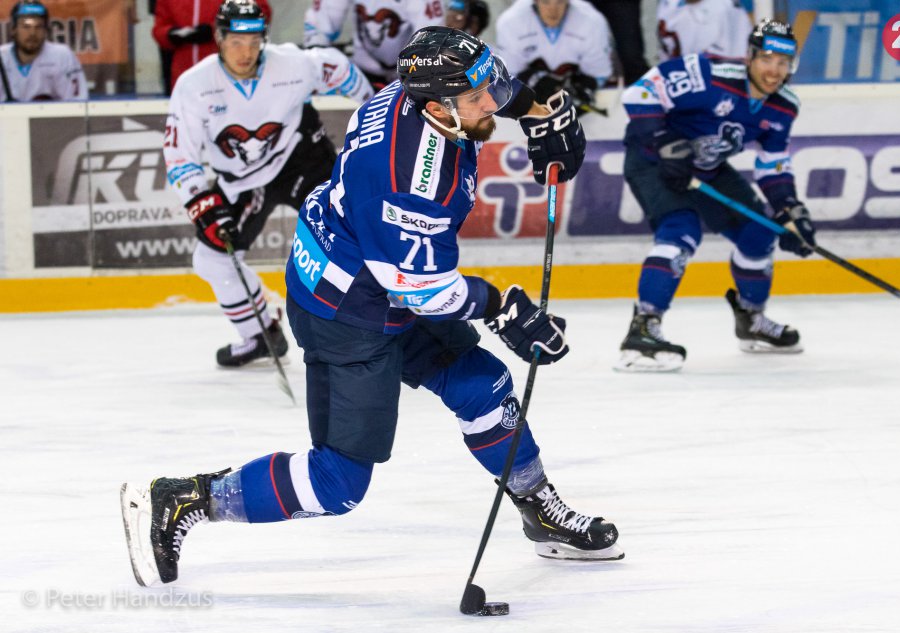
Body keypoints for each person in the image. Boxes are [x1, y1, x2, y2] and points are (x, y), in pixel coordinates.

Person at [121, 26, 622, 589]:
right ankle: (184, 498)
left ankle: (538, 509)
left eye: (491, 91)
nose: (492, 104)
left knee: (483, 387)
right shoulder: (409, 180)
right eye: (479, 98)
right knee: (336, 483)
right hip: (345, 310)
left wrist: (535, 112)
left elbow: (488, 89)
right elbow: (423, 292)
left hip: (379, 273)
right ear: (438, 108)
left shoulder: (422, 92)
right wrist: (501, 308)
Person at [162, 0, 373, 368]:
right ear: (219, 39)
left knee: (357, 235)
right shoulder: (194, 85)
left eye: (254, 41)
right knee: (211, 258)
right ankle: (260, 333)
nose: (246, 52)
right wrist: (202, 202)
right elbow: (180, 154)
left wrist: (379, 110)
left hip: (303, 160)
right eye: (236, 42)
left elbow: (339, 69)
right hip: (242, 181)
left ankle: (385, 322)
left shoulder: (292, 64)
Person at [615, 19, 817, 372]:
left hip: (707, 169)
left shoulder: (784, 107)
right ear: (750, 57)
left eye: (783, 63)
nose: (774, 71)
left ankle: (751, 320)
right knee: (682, 230)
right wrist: (663, 140)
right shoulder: (708, 74)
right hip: (653, 162)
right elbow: (639, 93)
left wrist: (790, 209)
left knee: (761, 233)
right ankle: (643, 328)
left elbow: (772, 165)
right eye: (767, 59)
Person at [303, 0, 476, 90]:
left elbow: (432, 38)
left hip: (409, 76)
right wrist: (318, 66)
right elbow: (318, 29)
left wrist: (415, 80)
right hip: (360, 74)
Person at [493, 0, 614, 114]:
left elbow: (598, 74)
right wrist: (533, 81)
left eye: (559, 1)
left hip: (579, 108)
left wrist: (584, 87)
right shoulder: (510, 23)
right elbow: (509, 76)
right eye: (546, 2)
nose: (553, 10)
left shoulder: (593, 22)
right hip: (530, 108)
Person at [152, 0, 272, 92]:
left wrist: (217, 29)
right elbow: (159, 27)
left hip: (230, 71)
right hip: (184, 72)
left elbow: (260, 14)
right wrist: (170, 34)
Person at [0, 0, 88, 102]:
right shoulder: (2, 56)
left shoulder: (61, 56)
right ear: (13, 29)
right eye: (26, 27)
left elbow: (77, 104)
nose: (32, 33)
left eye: (38, 27)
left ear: (46, 30)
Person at [657, 0, 752, 62]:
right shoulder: (669, 4)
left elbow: (738, 64)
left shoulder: (727, 10)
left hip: (718, 81)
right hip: (673, 75)